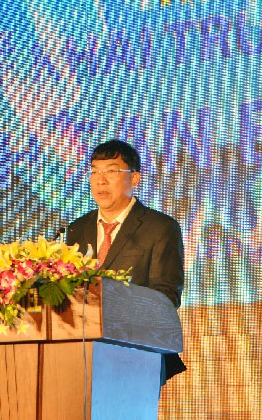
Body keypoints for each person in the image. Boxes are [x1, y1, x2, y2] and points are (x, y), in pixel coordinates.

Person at [66, 139, 187, 383]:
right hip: (79, 355)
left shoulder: (160, 228)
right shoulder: (76, 229)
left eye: (111, 171)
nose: (100, 180)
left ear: (134, 178)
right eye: (95, 172)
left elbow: (166, 297)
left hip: (137, 353)